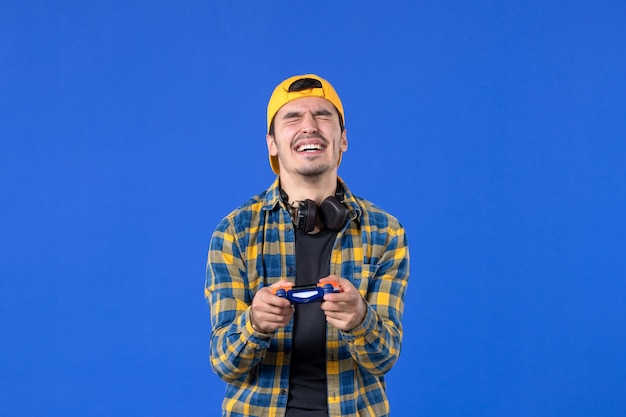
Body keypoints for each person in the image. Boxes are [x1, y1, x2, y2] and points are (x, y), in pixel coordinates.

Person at [205, 74, 410, 417]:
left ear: (342, 139)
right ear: (271, 143)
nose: (310, 126)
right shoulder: (235, 232)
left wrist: (361, 318)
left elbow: (384, 357)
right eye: (293, 117)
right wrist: (254, 323)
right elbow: (224, 362)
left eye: (323, 115)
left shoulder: (385, 232)